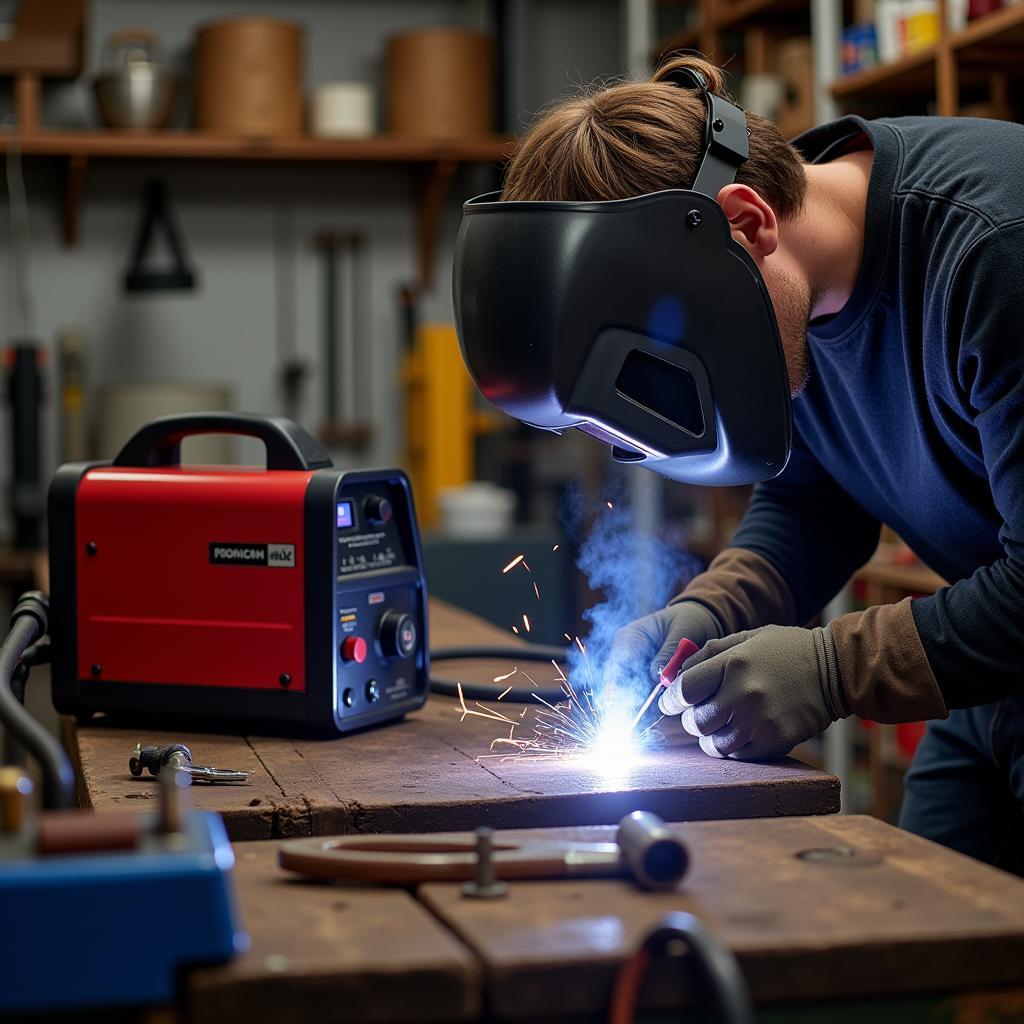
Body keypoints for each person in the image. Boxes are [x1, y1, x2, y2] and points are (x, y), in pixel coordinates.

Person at [499, 53, 1024, 872]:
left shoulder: (996, 252)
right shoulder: (787, 294)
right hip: (1000, 682)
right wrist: (709, 613)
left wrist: (831, 670)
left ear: (747, 223)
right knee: (932, 918)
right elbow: (814, 506)